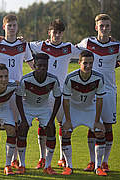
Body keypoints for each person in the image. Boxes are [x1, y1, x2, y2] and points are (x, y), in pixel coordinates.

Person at [0, 14, 34, 170]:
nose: (12, 28)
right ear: (4, 27)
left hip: (16, 91)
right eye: (9, 25)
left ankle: (15, 159)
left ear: (17, 27)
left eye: (14, 25)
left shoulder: (23, 45)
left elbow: (33, 66)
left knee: (15, 126)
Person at [76, 14, 120, 172]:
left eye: (107, 25)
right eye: (102, 26)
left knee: (107, 126)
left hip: (108, 91)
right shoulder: (87, 43)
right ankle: (93, 161)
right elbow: (72, 50)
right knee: (92, 126)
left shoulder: (117, 46)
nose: (104, 28)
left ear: (110, 27)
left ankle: (105, 161)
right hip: (90, 91)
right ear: (96, 27)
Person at [29, 18, 80, 169]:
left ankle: (61, 158)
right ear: (49, 32)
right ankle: (42, 158)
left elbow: (88, 51)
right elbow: (23, 46)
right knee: (44, 125)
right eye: (54, 32)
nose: (57, 35)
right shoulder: (41, 46)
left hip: (62, 93)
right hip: (44, 92)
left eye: (59, 32)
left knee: (62, 125)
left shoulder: (69, 48)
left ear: (62, 34)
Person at [62, 50, 107, 176]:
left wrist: (97, 121)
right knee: (65, 132)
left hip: (90, 109)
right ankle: (68, 166)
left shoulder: (98, 78)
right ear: (79, 63)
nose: (88, 66)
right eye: (85, 63)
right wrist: (68, 120)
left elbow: (99, 100)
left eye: (91, 63)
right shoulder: (70, 78)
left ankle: (98, 167)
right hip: (74, 109)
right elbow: (65, 101)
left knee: (100, 132)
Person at [16, 53, 61, 175]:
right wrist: (24, 119)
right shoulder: (26, 79)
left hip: (44, 107)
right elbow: (19, 98)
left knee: (51, 130)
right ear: (34, 65)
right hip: (27, 107)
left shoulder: (53, 79)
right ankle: (22, 165)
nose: (42, 68)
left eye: (45, 66)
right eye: (39, 65)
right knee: (22, 129)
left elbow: (58, 98)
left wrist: (52, 119)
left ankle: (48, 165)